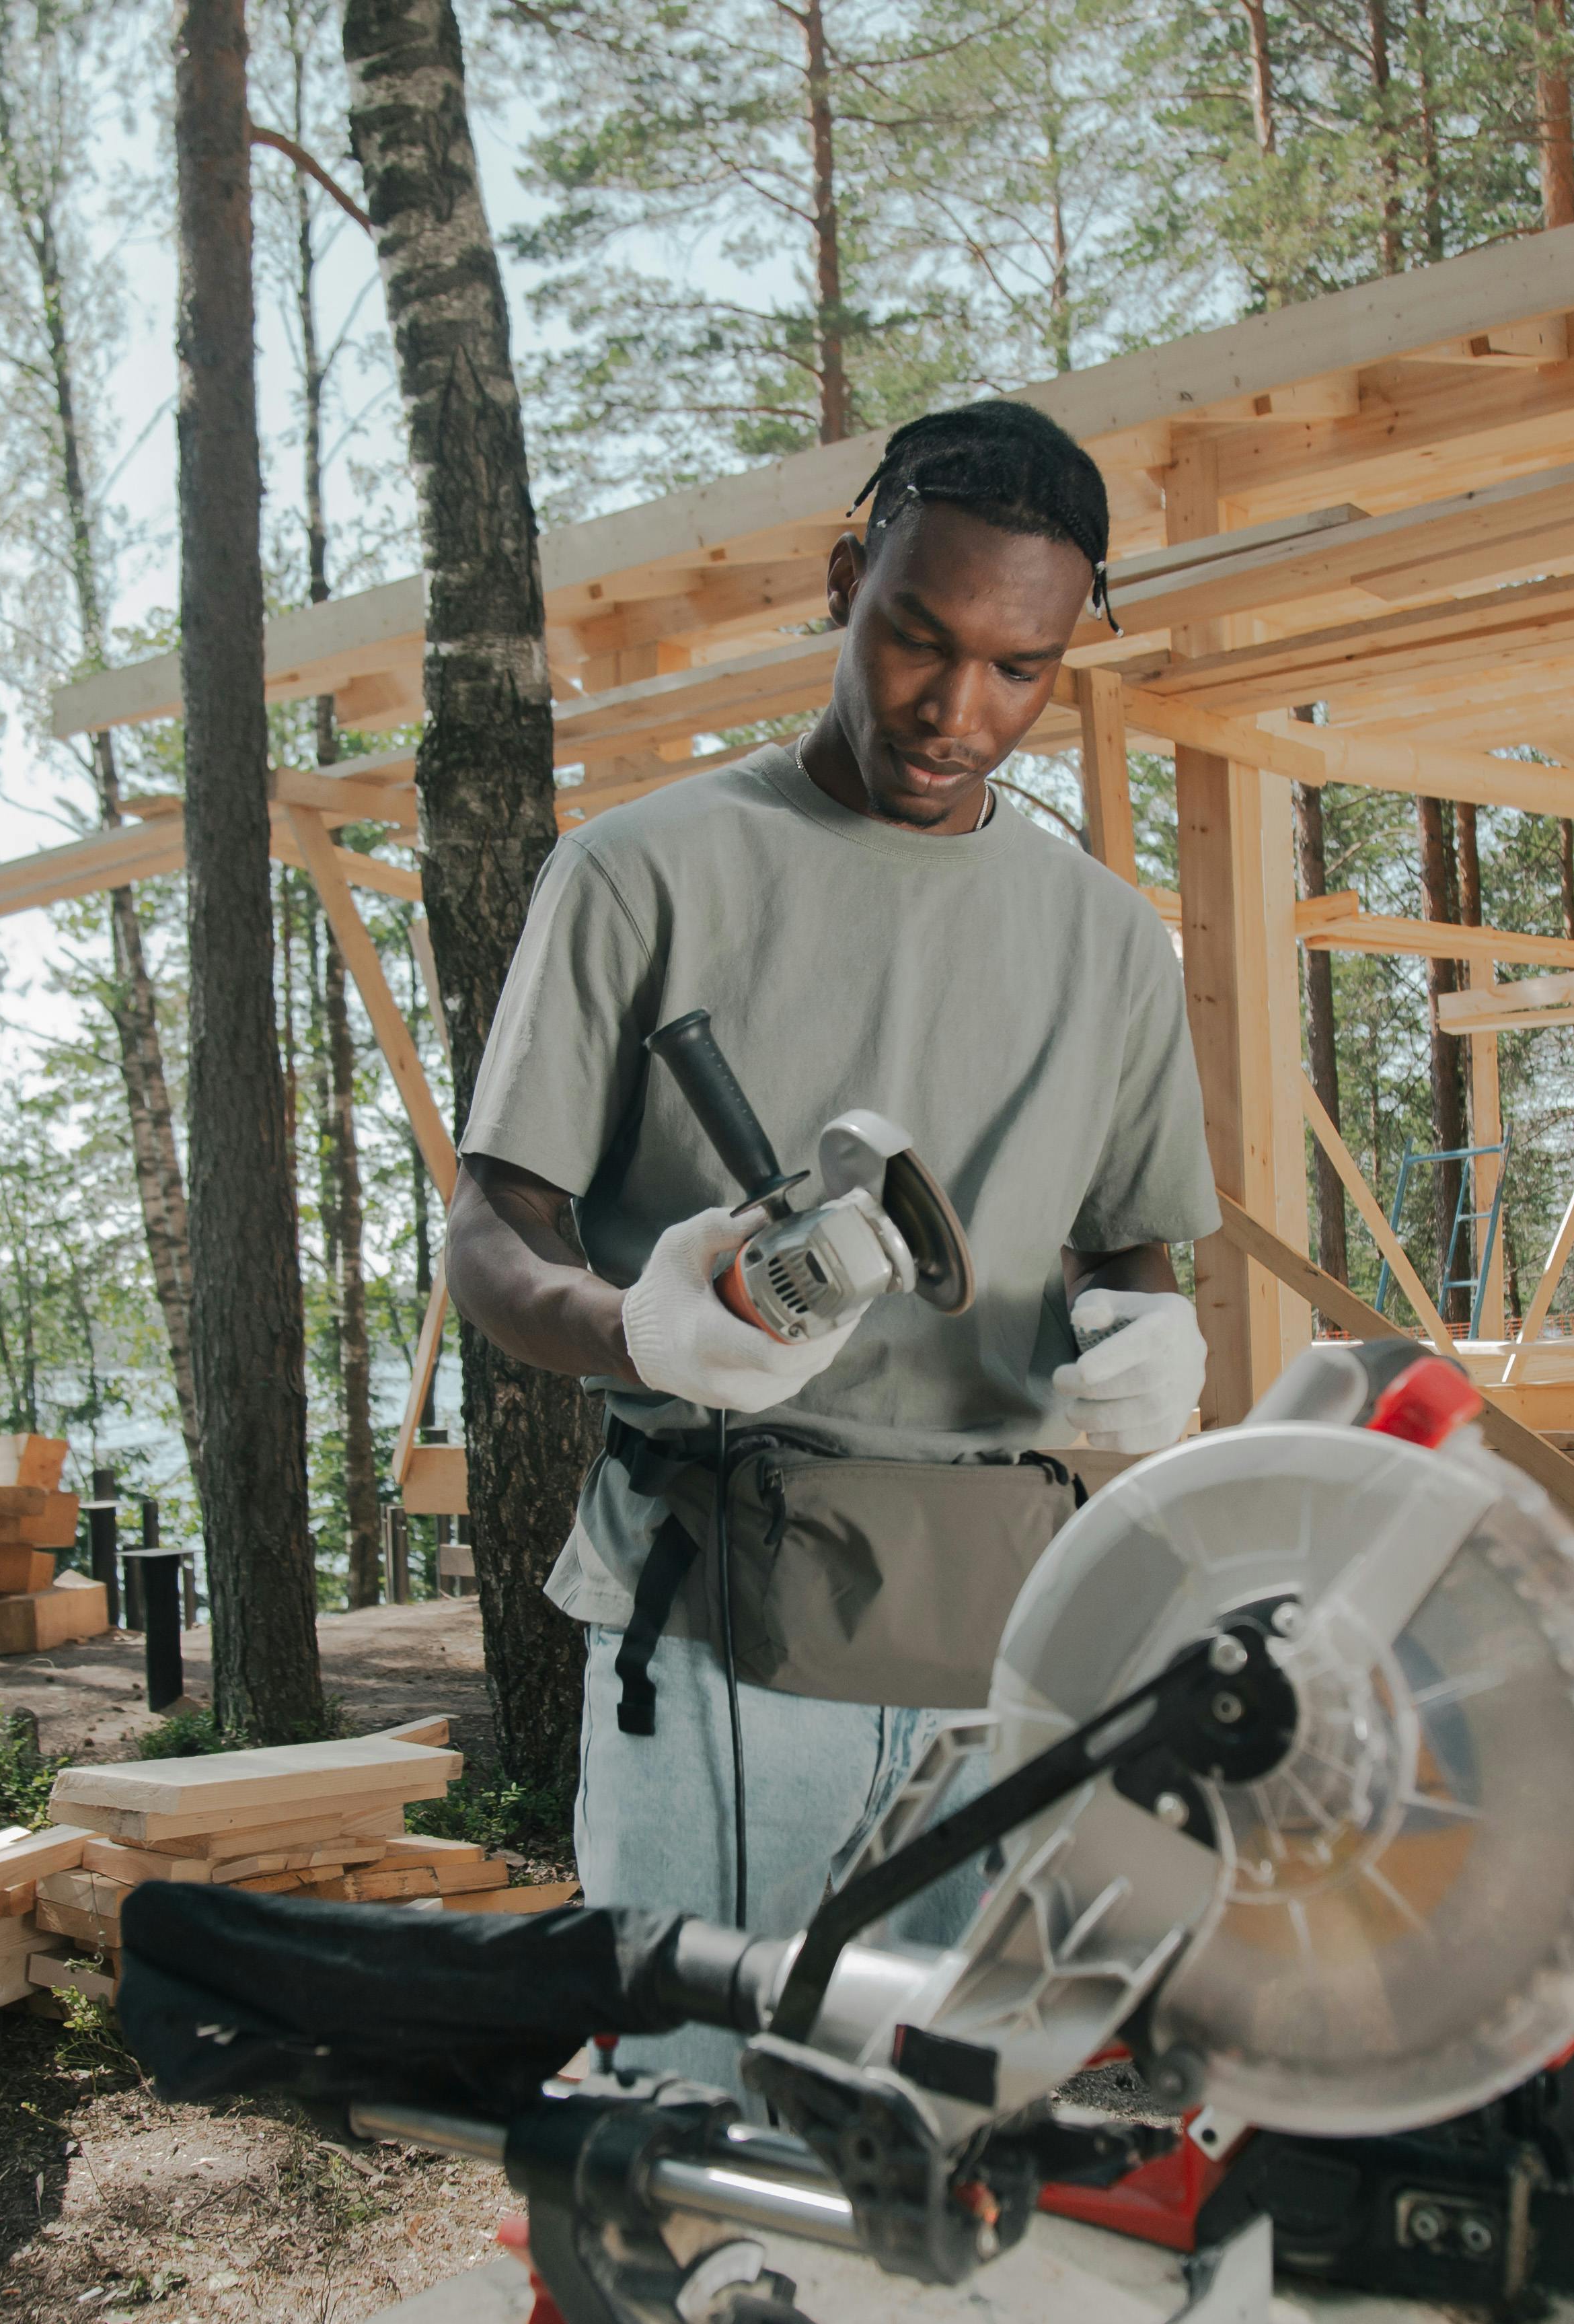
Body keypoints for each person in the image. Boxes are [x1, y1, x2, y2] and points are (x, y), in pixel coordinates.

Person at [446, 400, 1216, 2068]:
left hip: (1003, 1646)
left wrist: (1154, 1345)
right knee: (686, 2128)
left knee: (951, 2128)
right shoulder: (639, 876)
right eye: (916, 640)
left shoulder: (1110, 945)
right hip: (708, 1627)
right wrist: (632, 1329)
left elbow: (1130, 1252)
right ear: (841, 578)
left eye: (1018, 668)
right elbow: (490, 1236)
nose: (955, 711)